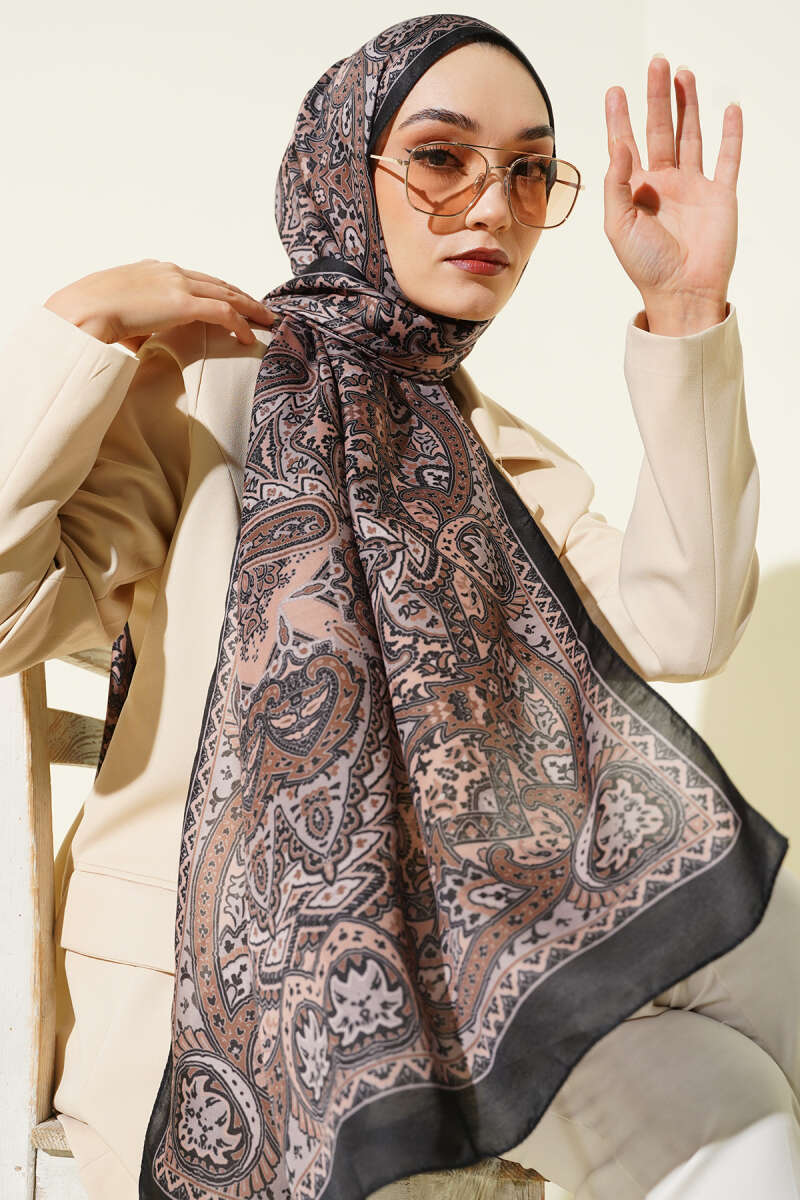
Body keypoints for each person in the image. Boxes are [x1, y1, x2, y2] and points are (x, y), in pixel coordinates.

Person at [0, 12, 794, 1200]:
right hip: (225, 992)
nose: (491, 208)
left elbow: (681, 627)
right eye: (438, 157)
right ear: (342, 165)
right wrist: (74, 329)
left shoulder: (485, 449)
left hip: (483, 962)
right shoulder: (200, 396)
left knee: (731, 1099)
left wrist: (686, 308)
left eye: (527, 173)